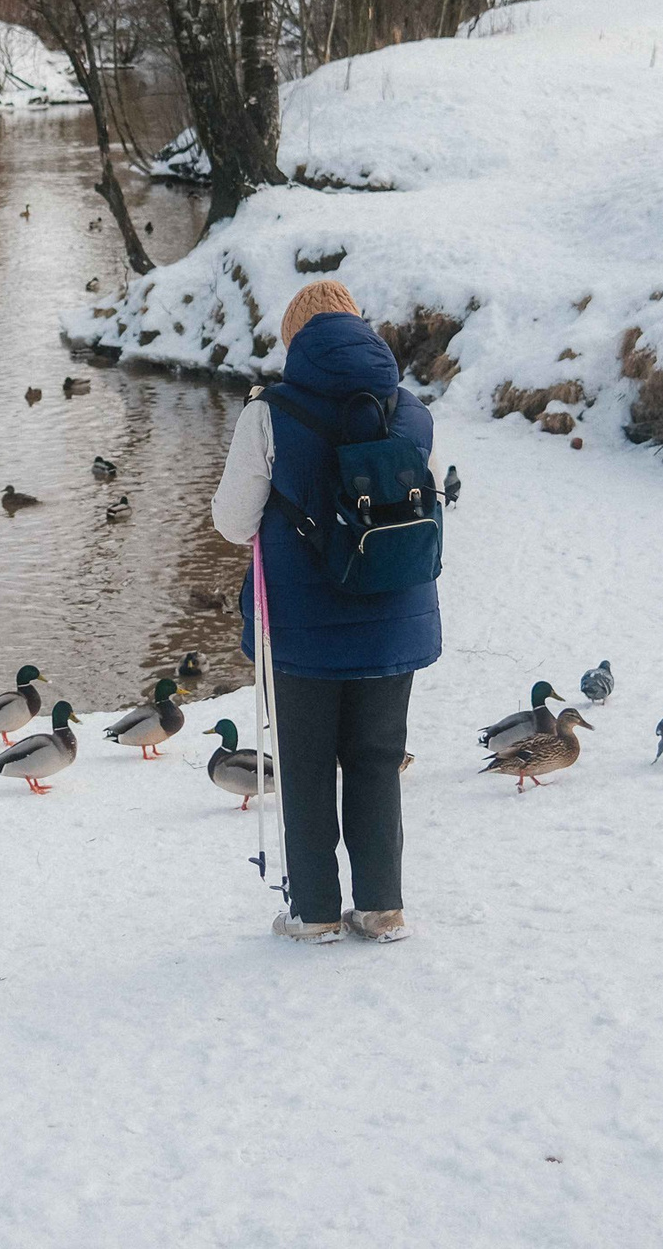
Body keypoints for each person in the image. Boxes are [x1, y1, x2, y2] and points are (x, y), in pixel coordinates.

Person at [210, 280, 440, 945]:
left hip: (301, 626)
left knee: (306, 765)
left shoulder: (268, 415)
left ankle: (312, 913)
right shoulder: (414, 413)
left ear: (295, 340)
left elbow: (233, 522)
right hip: (394, 612)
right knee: (376, 756)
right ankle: (382, 908)